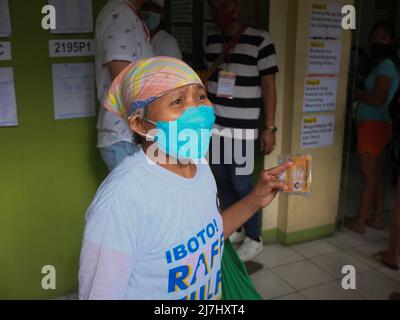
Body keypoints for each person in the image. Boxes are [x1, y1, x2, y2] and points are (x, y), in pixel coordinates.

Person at [78, 57, 292, 300]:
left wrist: (255, 198)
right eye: (178, 101)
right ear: (140, 124)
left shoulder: (199, 166)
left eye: (201, 97)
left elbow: (206, 236)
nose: (197, 110)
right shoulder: (121, 201)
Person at [204, 0, 279, 261]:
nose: (218, 10)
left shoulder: (260, 40)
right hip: (215, 127)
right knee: (221, 181)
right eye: (214, 6)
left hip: (243, 130)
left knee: (242, 183)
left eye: (223, 4)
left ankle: (254, 237)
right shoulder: (212, 39)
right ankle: (234, 226)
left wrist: (269, 128)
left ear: (237, 6)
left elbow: (269, 86)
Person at [345, 22, 400, 234]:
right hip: (379, 125)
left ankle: (359, 222)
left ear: (392, 41)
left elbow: (378, 98)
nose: (377, 42)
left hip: (373, 126)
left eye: (383, 38)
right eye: (374, 37)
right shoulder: (385, 63)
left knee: (368, 175)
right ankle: (376, 218)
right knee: (376, 175)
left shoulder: (386, 64)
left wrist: (355, 93)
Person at [95, 0, 154, 171]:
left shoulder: (128, 14)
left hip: (131, 136)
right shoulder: (119, 14)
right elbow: (123, 80)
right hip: (126, 137)